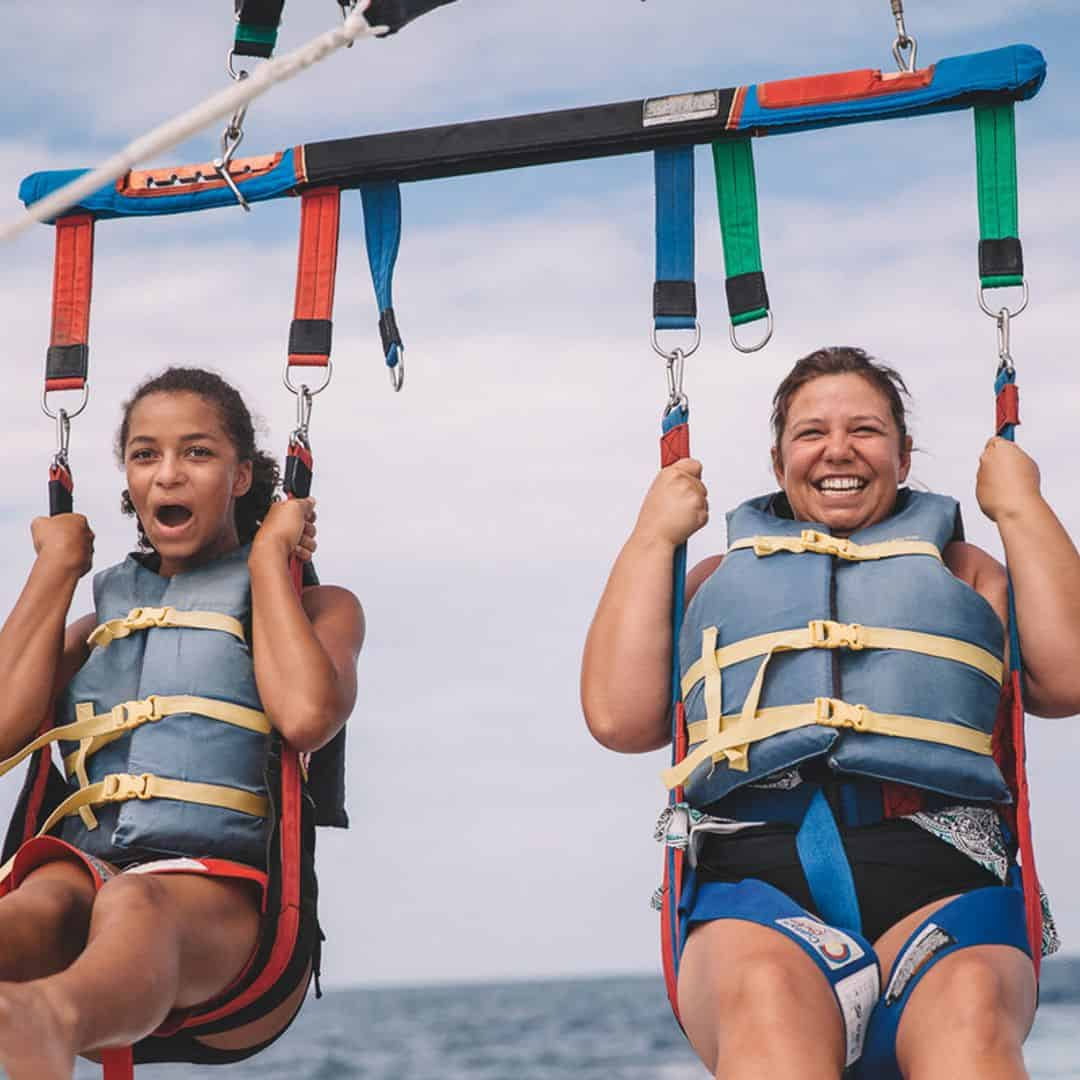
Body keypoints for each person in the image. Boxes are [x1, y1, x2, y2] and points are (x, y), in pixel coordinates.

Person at [582, 346, 1080, 1079]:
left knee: (972, 1020)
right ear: (780, 459)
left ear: (904, 456)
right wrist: (652, 535)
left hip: (944, 885)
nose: (838, 450)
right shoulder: (717, 581)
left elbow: (1066, 679)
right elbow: (619, 720)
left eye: (867, 431)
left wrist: (1020, 505)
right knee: (768, 1005)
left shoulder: (968, 573)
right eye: (811, 432)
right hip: (758, 890)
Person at [0, 367, 364, 1080]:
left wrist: (268, 562)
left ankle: (48, 1019)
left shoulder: (320, 608)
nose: (168, 475)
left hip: (220, 907)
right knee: (39, 904)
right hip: (82, 874)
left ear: (240, 477)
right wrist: (56, 567)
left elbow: (306, 716)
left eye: (196, 453)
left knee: (138, 899)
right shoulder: (99, 617)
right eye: (145, 455)